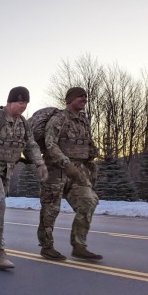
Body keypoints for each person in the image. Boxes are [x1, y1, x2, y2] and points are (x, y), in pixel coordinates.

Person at [0, 86, 48, 270]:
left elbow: (31, 145)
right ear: (10, 101)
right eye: (21, 102)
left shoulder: (23, 124)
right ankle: (0, 251)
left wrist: (39, 163)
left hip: (6, 171)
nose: (24, 106)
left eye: (26, 103)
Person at [37, 87, 101, 261]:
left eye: (85, 96)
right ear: (70, 99)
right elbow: (51, 145)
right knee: (51, 209)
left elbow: (88, 142)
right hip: (56, 170)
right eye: (80, 96)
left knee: (89, 201)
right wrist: (65, 163)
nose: (84, 99)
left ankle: (79, 245)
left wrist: (91, 158)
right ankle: (47, 246)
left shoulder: (83, 120)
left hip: (78, 170)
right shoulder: (59, 119)